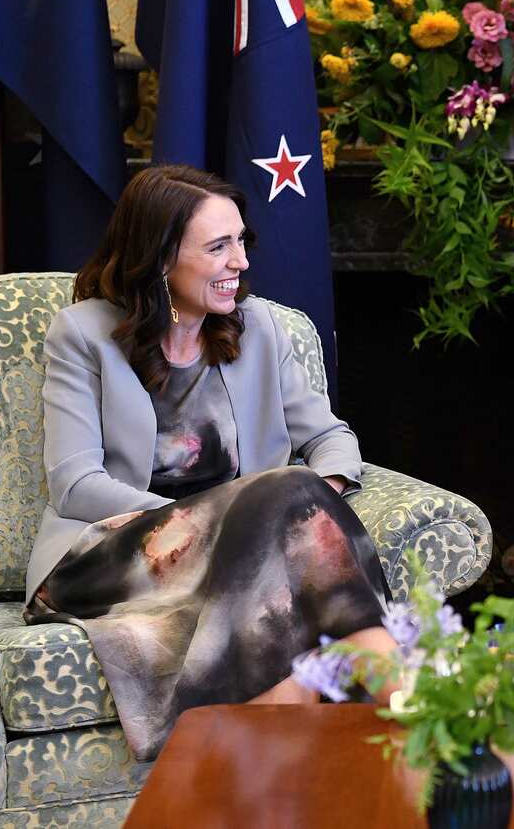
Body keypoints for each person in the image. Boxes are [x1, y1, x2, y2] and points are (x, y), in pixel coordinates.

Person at [25, 165, 396, 761]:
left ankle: (282, 770)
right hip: (107, 556)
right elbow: (74, 485)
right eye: (219, 246)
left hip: (239, 561)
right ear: (161, 257)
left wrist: (315, 492)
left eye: (242, 241)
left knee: (290, 522)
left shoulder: (262, 330)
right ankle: (401, 680)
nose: (241, 261)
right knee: (277, 497)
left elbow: (331, 436)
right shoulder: (82, 335)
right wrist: (214, 519)